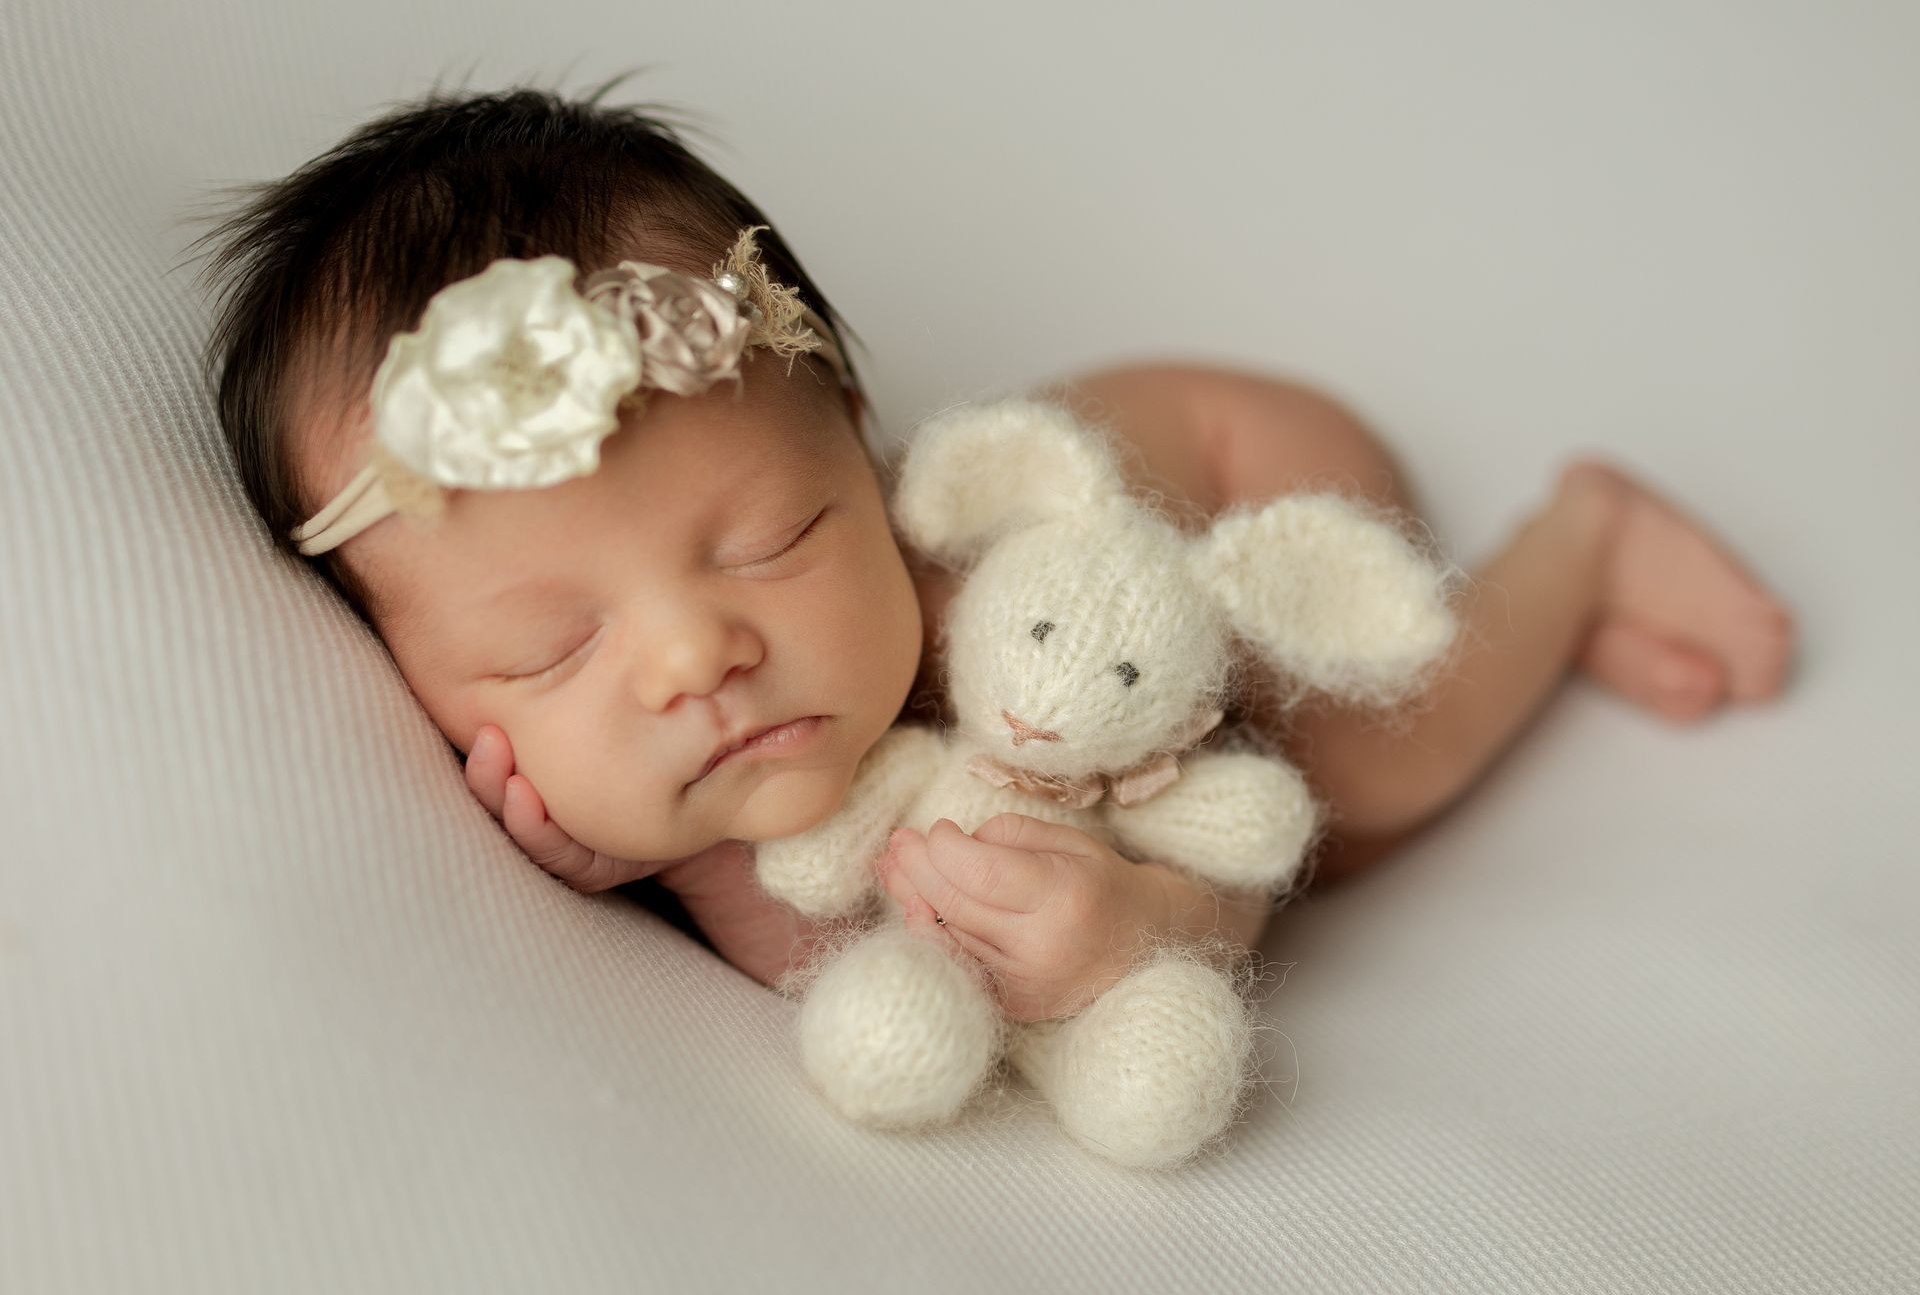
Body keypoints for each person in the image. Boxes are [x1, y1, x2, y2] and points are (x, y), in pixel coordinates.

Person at [192, 78, 1796, 1026]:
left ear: (867, 448)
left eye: (776, 537)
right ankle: (1562, 621)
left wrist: (1144, 932)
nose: (695, 658)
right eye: (548, 652)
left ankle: (1586, 540)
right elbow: (831, 939)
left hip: (1252, 477)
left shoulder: (984, 639)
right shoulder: (662, 773)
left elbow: (1227, 872)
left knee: (1360, 798)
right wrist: (671, 856)